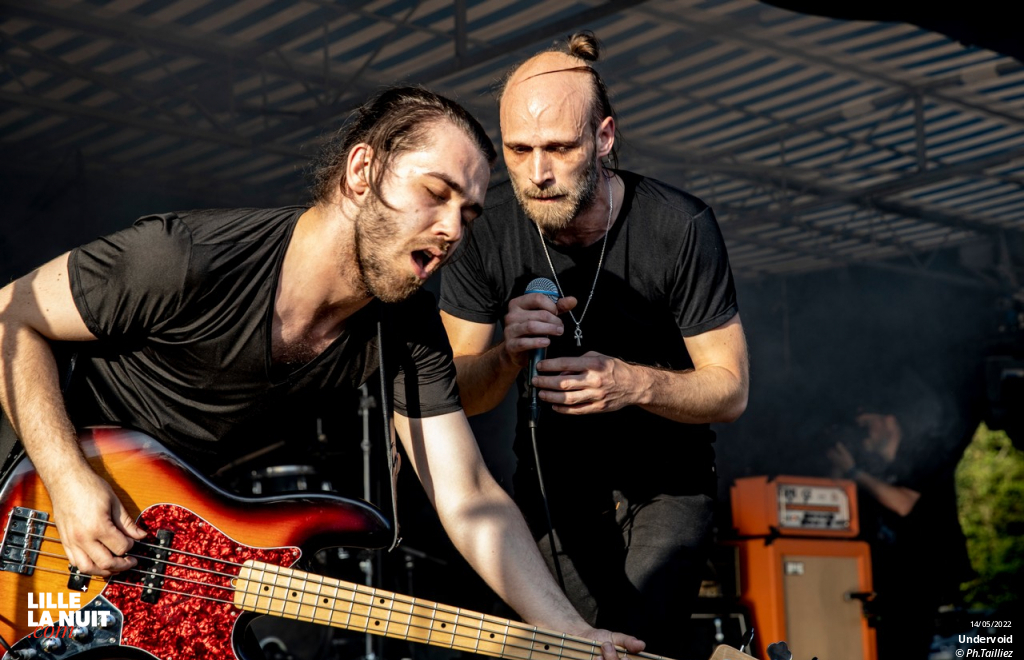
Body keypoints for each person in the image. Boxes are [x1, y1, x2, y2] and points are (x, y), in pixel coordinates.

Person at [0, 86, 642, 660]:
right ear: (362, 171)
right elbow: (11, 314)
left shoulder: (407, 329)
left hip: (155, 557)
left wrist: (570, 633)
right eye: (435, 193)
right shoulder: (187, 257)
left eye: (469, 215)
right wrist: (66, 477)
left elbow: (468, 494)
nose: (451, 230)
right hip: (29, 513)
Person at [438, 33, 749, 659]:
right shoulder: (484, 235)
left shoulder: (679, 225)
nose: (537, 173)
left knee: (637, 643)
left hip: (669, 485)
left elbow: (731, 388)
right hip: (556, 492)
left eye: (558, 147)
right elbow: (454, 399)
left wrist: (631, 383)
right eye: (518, 150)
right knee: (568, 650)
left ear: (604, 138)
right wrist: (505, 356)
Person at [824, 368, 975, 660]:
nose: (862, 432)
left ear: (889, 421)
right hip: (890, 591)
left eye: (866, 424)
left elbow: (903, 503)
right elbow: (837, 512)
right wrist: (840, 468)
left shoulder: (926, 453)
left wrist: (854, 472)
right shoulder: (873, 467)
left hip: (928, 587)